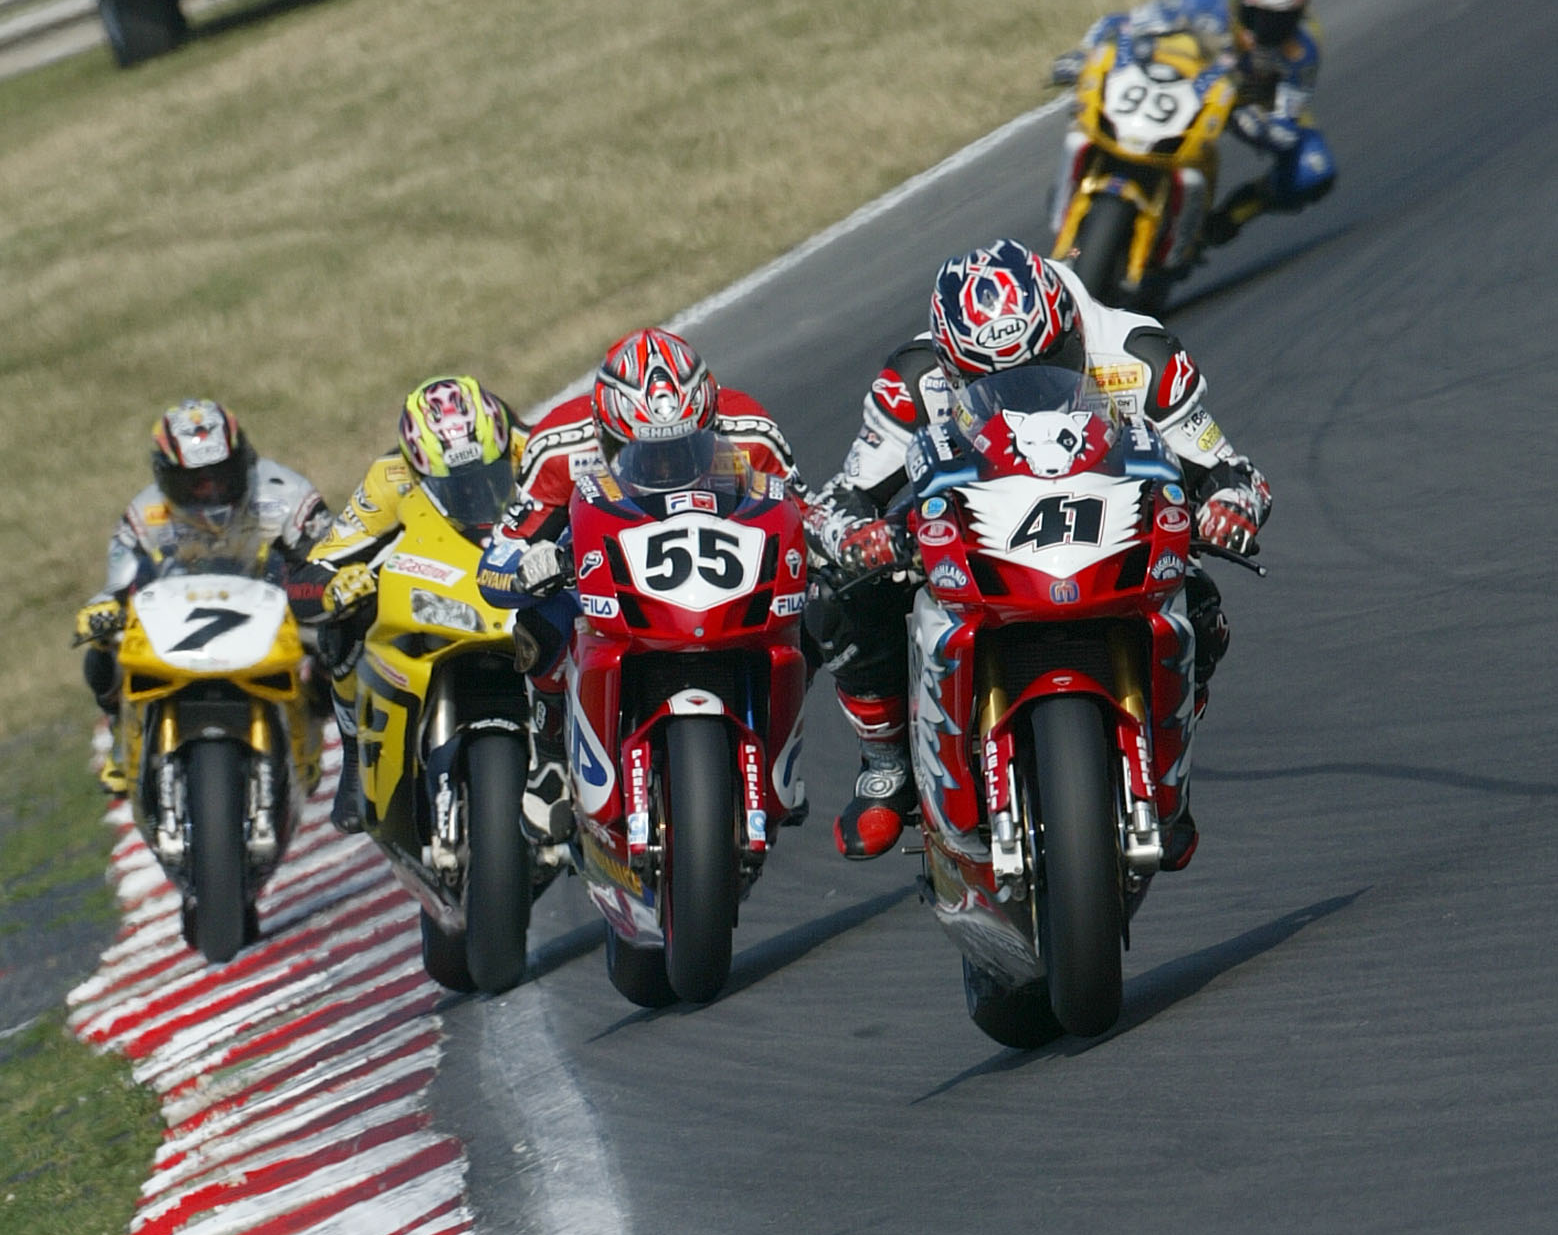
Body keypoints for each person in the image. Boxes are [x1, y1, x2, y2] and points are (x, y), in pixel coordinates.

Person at [806, 241, 1270, 857]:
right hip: (978, 537)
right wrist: (858, 537)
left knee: (1201, 603)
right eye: (989, 380)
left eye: (1048, 360)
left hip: (1107, 530)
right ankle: (886, 761)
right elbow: (844, 494)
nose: (1024, 388)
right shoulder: (915, 379)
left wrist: (1229, 506)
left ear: (1071, 332)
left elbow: (1228, 466)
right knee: (840, 598)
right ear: (953, 364)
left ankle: (1163, 764)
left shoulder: (1137, 355)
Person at [479, 328, 802, 839]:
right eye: (646, 452)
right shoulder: (560, 446)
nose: (668, 464)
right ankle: (551, 757)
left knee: (818, 606)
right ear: (606, 428)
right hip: (612, 570)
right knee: (542, 619)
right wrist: (528, 565)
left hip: (718, 570)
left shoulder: (751, 432)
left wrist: (836, 543)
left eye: (686, 448)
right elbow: (501, 553)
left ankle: (780, 742)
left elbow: (802, 510)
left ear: (709, 418)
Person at [298, 376, 526, 831]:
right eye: (454, 481)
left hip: (520, 568)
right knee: (342, 617)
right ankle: (352, 753)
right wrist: (336, 587)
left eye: (486, 471)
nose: (472, 487)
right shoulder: (389, 477)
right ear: (419, 465)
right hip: (439, 573)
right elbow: (317, 565)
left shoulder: (531, 449)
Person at [73, 400, 329, 794]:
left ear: (243, 463)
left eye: (222, 477)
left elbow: (328, 562)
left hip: (276, 616)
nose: (211, 492)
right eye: (196, 482)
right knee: (102, 649)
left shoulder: (287, 495)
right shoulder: (144, 515)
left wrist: (322, 598)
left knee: (344, 637)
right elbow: (118, 586)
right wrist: (103, 612)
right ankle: (120, 733)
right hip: (183, 622)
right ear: (167, 479)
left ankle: (325, 727)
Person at [1051, 0, 1335, 243]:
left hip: (1249, 105)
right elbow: (1124, 25)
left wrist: (1261, 122)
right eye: (1257, 18)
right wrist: (1085, 55)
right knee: (1091, 107)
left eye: (1282, 22)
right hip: (1183, 84)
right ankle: (1073, 186)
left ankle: (1231, 216)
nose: (1267, 31)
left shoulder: (1303, 49)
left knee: (1314, 166)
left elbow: (1287, 124)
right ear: (1238, 3)